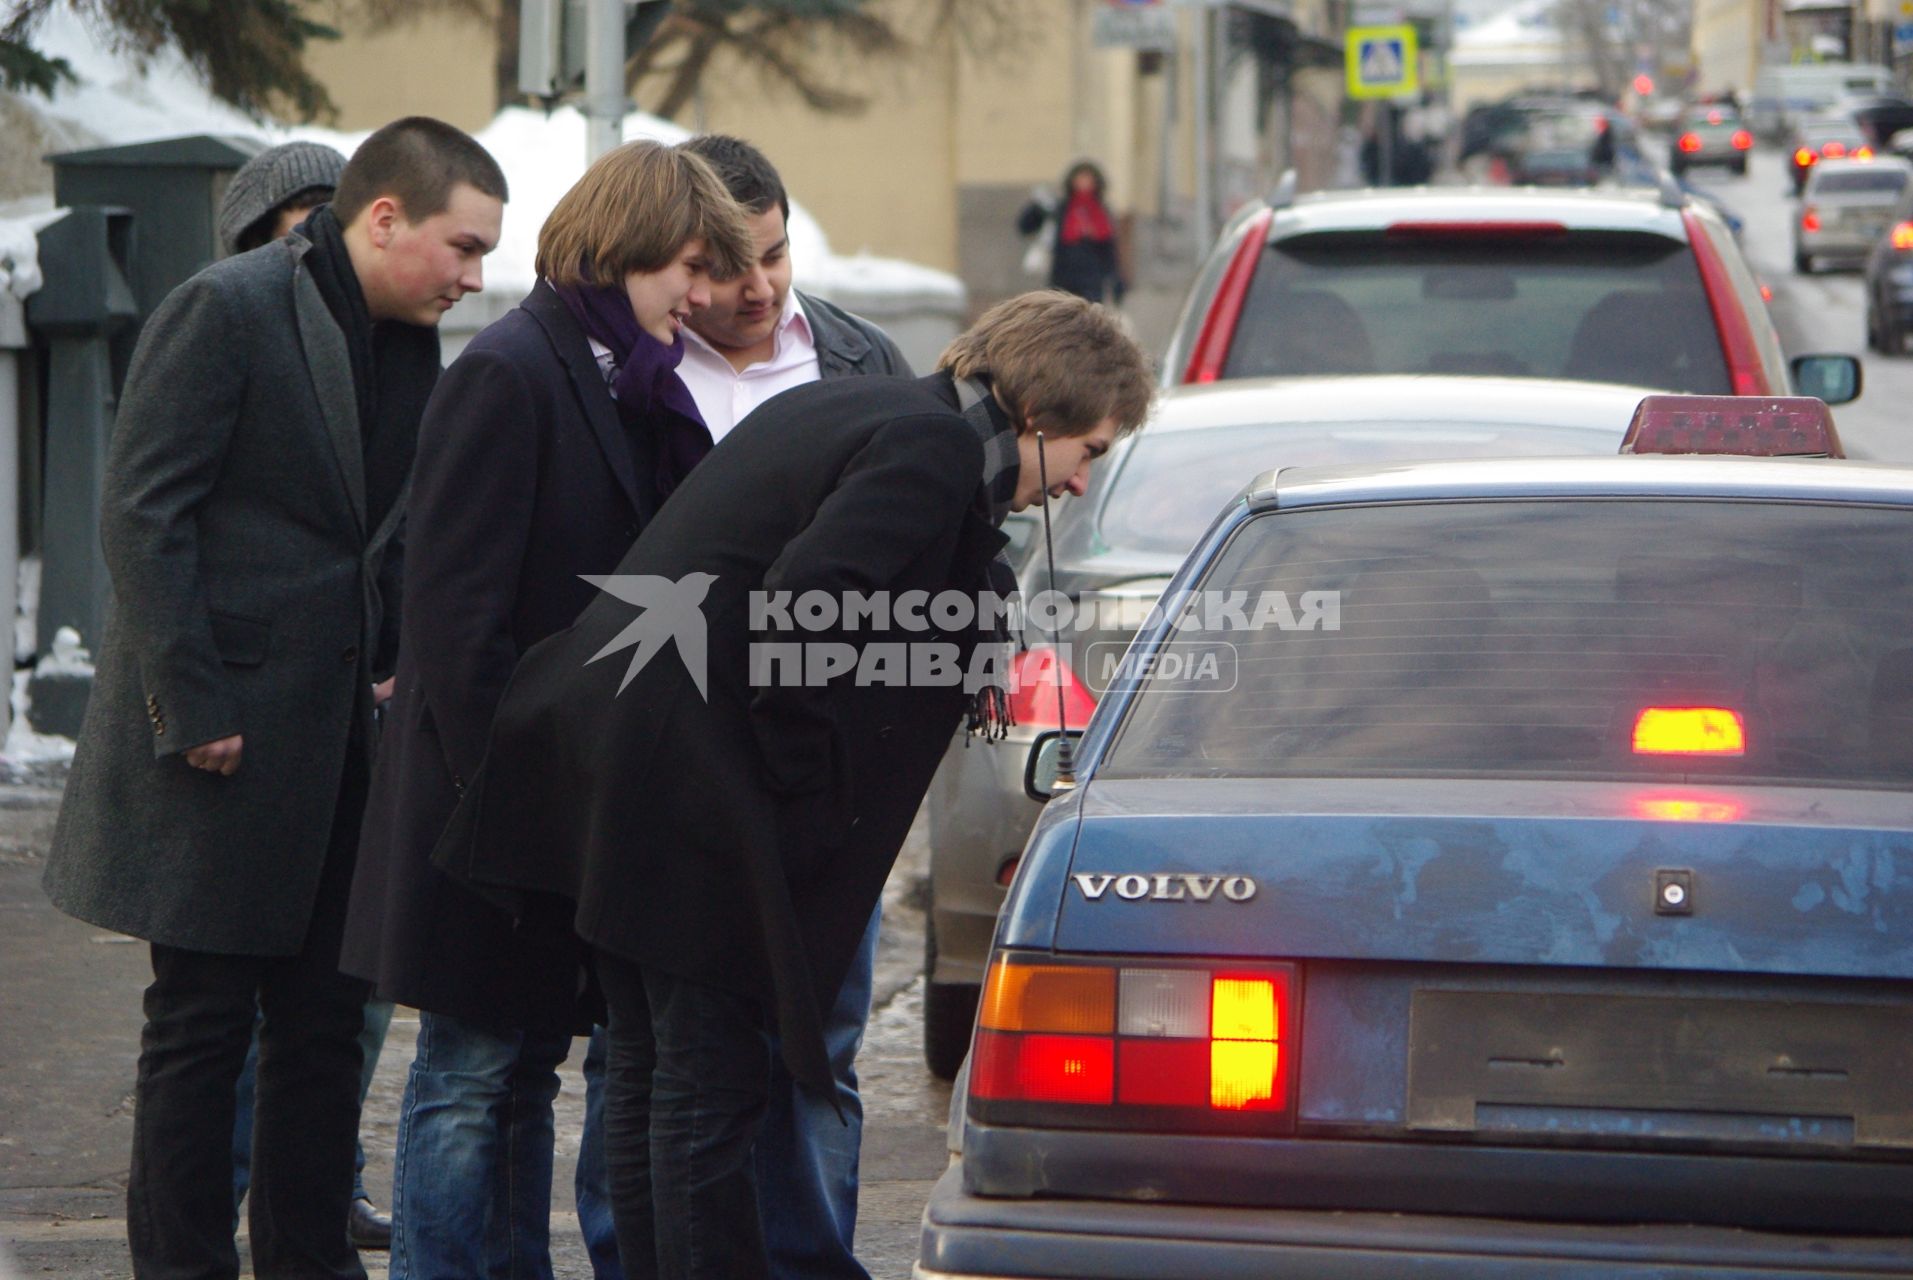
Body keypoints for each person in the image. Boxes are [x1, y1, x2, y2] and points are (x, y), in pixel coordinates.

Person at [431, 290, 1155, 1278]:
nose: (1078, 485)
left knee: (655, 1074)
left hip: (617, 765)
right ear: (1038, 416)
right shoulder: (931, 450)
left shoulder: (867, 407)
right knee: (705, 1091)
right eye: (1090, 451)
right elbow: (800, 614)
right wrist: (796, 787)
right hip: (695, 789)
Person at [41, 116, 506, 1280]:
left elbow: (386, 529)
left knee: (319, 1028)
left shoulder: (411, 339)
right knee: (199, 1025)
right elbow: (142, 512)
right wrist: (190, 704)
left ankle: (308, 1260)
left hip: (348, 739)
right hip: (223, 735)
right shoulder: (228, 306)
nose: (474, 276)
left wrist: (401, 655)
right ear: (384, 216)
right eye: (461, 246)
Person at [338, 139, 753, 1280]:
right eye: (686, 266)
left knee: (522, 1072)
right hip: (490, 802)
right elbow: (451, 611)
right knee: (469, 1076)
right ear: (625, 247)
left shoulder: (634, 383)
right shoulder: (515, 369)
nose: (705, 294)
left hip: (557, 800)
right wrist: (508, 797)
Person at [673, 132, 910, 1280]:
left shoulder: (860, 359)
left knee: (817, 1041)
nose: (759, 288)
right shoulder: (627, 370)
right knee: (661, 1056)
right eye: (727, 266)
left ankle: (811, 1261)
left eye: (774, 254)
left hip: (825, 773)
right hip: (676, 769)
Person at [212, 138, 399, 1253]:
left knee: (345, 1004)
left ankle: (320, 1194)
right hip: (245, 731)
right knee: (226, 1012)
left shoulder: (392, 352)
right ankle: (234, 1196)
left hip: (351, 725)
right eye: (297, 232)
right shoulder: (226, 334)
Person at [1017, 161, 1126, 304]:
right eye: (1080, 177)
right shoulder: (1061, 208)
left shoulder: (1101, 211)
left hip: (1091, 279)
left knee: (1088, 319)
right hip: (1063, 275)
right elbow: (1026, 227)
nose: (1084, 183)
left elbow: (1108, 250)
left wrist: (1115, 278)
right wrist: (1036, 207)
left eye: (1088, 178)